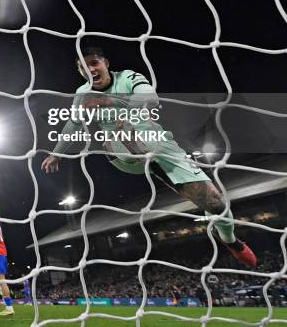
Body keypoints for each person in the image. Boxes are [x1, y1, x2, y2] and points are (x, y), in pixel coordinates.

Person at [41, 46, 257, 268]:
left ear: (105, 63)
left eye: (94, 63)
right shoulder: (82, 95)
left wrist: (111, 102)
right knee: (123, 128)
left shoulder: (128, 77)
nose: (90, 69)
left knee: (215, 203)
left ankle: (230, 240)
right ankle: (136, 145)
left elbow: (151, 98)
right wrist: (57, 153)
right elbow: (73, 123)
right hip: (119, 150)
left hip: (159, 144)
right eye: (83, 66)